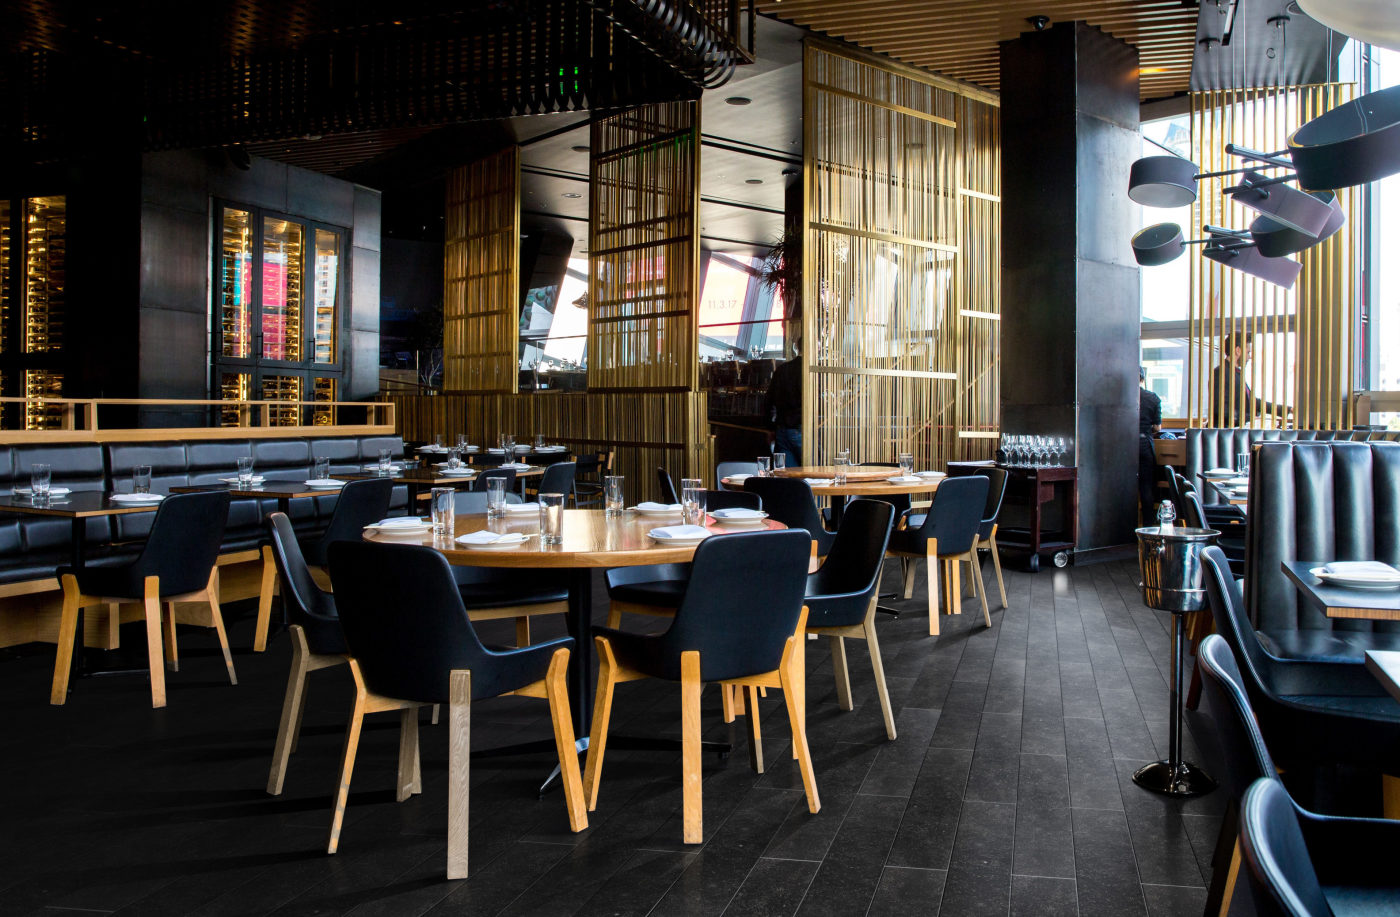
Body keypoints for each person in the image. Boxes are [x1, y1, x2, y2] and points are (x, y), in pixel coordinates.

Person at [1210, 332, 1288, 427]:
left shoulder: (1236, 374)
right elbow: (1221, 409)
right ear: (1238, 350)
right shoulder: (1221, 373)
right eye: (1248, 352)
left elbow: (1252, 402)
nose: (1249, 357)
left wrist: (1285, 410)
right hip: (1228, 435)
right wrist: (1249, 418)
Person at [766, 348, 802, 466]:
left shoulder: (782, 369)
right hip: (802, 430)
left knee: (784, 477)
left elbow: (768, 401)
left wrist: (770, 428)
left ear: (797, 347)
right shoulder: (811, 371)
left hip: (782, 430)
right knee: (812, 476)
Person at [1139, 365, 1162, 518]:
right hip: (1144, 445)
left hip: (1123, 447)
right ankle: (1147, 525)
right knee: (1146, 487)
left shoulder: (1121, 399)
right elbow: (1158, 428)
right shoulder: (1153, 398)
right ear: (1142, 378)